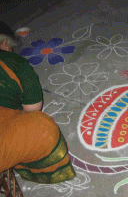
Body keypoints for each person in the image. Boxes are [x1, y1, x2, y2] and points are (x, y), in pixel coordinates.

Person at [0, 21, 76, 184]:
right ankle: (42, 171)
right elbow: (33, 109)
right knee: (43, 127)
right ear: (5, 44)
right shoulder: (13, 62)